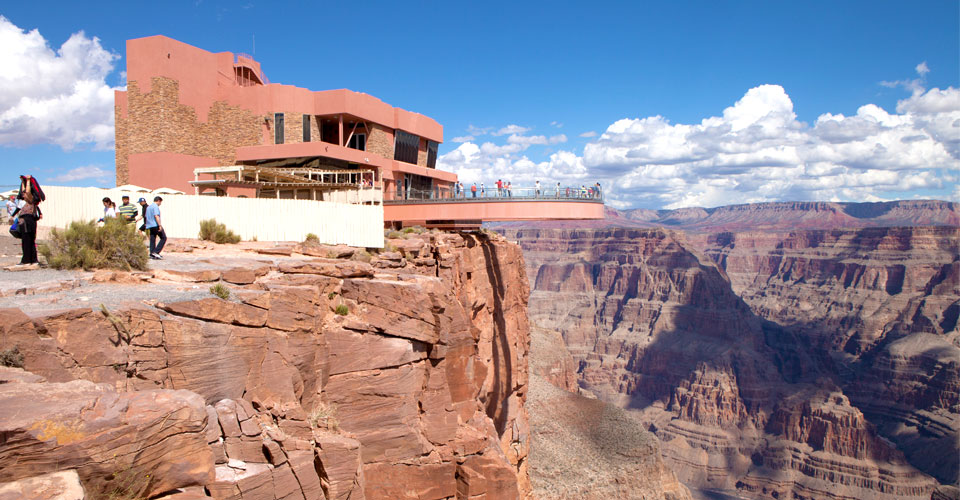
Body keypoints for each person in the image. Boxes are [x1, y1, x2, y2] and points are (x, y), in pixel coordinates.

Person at [12, 175, 41, 267]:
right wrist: (23, 182)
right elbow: (25, 191)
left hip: (27, 222)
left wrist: (28, 181)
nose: (23, 194)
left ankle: (26, 260)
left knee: (26, 240)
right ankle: (33, 259)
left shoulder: (30, 200)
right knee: (31, 240)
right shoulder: (31, 202)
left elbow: (27, 191)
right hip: (30, 221)